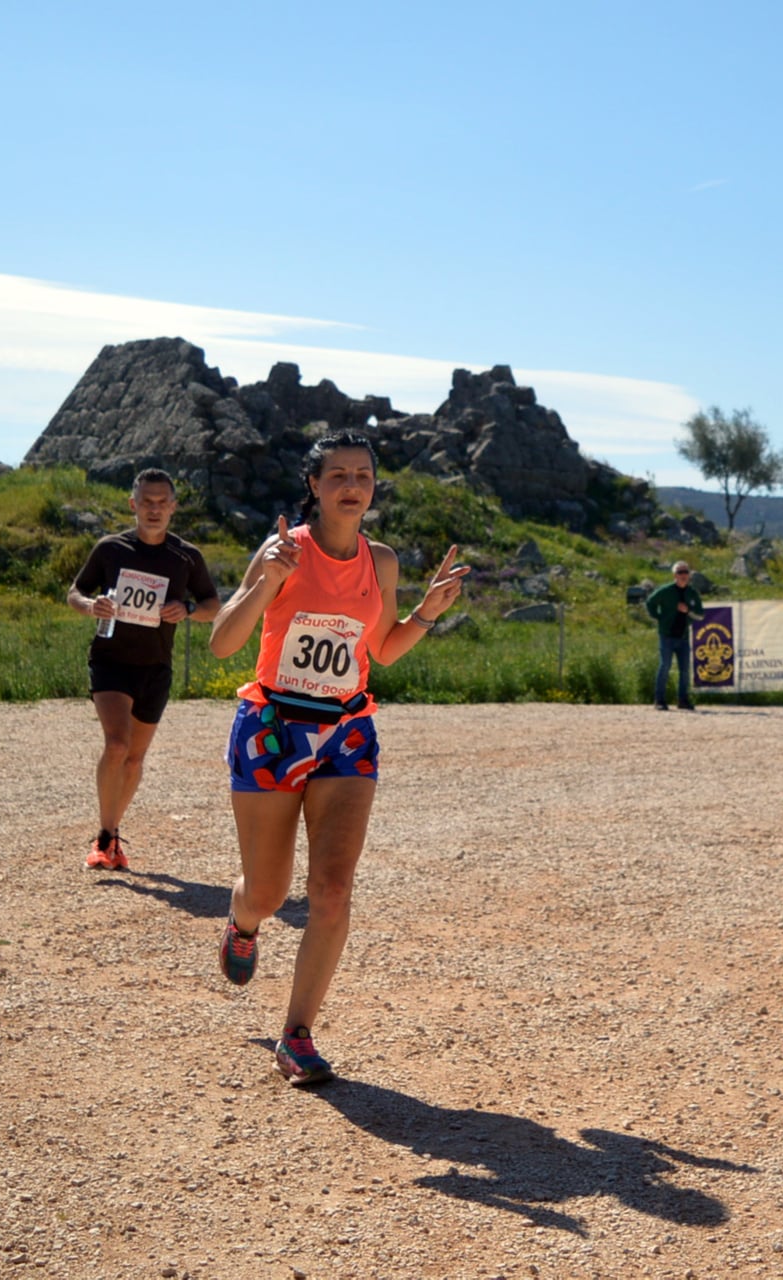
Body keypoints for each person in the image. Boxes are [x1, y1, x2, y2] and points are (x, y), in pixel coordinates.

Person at [208, 431, 468, 1085]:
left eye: (362, 474)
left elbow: (381, 648)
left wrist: (427, 613)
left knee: (330, 891)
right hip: (271, 728)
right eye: (337, 475)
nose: (351, 484)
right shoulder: (284, 550)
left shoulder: (381, 561)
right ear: (314, 487)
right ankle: (243, 921)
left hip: (347, 734)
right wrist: (264, 581)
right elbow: (221, 643)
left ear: (373, 487)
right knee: (267, 891)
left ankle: (296, 1035)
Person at [66, 469, 221, 871]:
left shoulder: (186, 557)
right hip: (111, 661)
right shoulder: (110, 549)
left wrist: (186, 610)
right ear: (133, 505)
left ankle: (113, 833)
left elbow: (212, 605)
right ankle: (103, 835)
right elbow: (74, 592)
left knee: (134, 759)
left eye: (161, 502)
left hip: (156, 667)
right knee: (116, 745)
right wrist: (90, 606)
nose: (154, 510)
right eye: (146, 502)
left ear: (173, 507)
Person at [646, 561, 703, 711]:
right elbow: (650, 602)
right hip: (667, 636)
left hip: (683, 637)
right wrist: (658, 617)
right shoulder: (666, 591)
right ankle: (659, 700)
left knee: (685, 670)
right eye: (680, 572)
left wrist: (688, 611)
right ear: (674, 575)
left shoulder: (692, 593)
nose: (683, 575)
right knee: (665, 666)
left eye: (685, 572)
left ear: (689, 575)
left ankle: (682, 700)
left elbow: (700, 615)